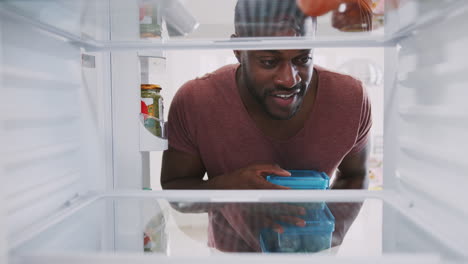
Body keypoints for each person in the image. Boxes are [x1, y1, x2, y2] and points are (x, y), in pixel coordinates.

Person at [161, 0, 372, 252]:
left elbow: (355, 175)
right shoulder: (196, 100)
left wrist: (326, 235)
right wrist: (230, 188)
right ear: (238, 50)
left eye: (303, 58)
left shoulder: (351, 98)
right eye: (269, 61)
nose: (289, 79)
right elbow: (176, 192)